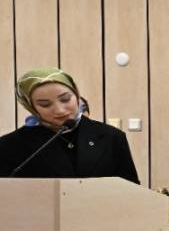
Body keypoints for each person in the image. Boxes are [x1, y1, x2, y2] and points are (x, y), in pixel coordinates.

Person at [0, 67, 138, 183]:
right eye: (45, 104)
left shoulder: (112, 137)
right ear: (31, 108)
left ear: (77, 95)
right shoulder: (9, 145)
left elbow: (131, 190)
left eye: (65, 99)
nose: (60, 110)